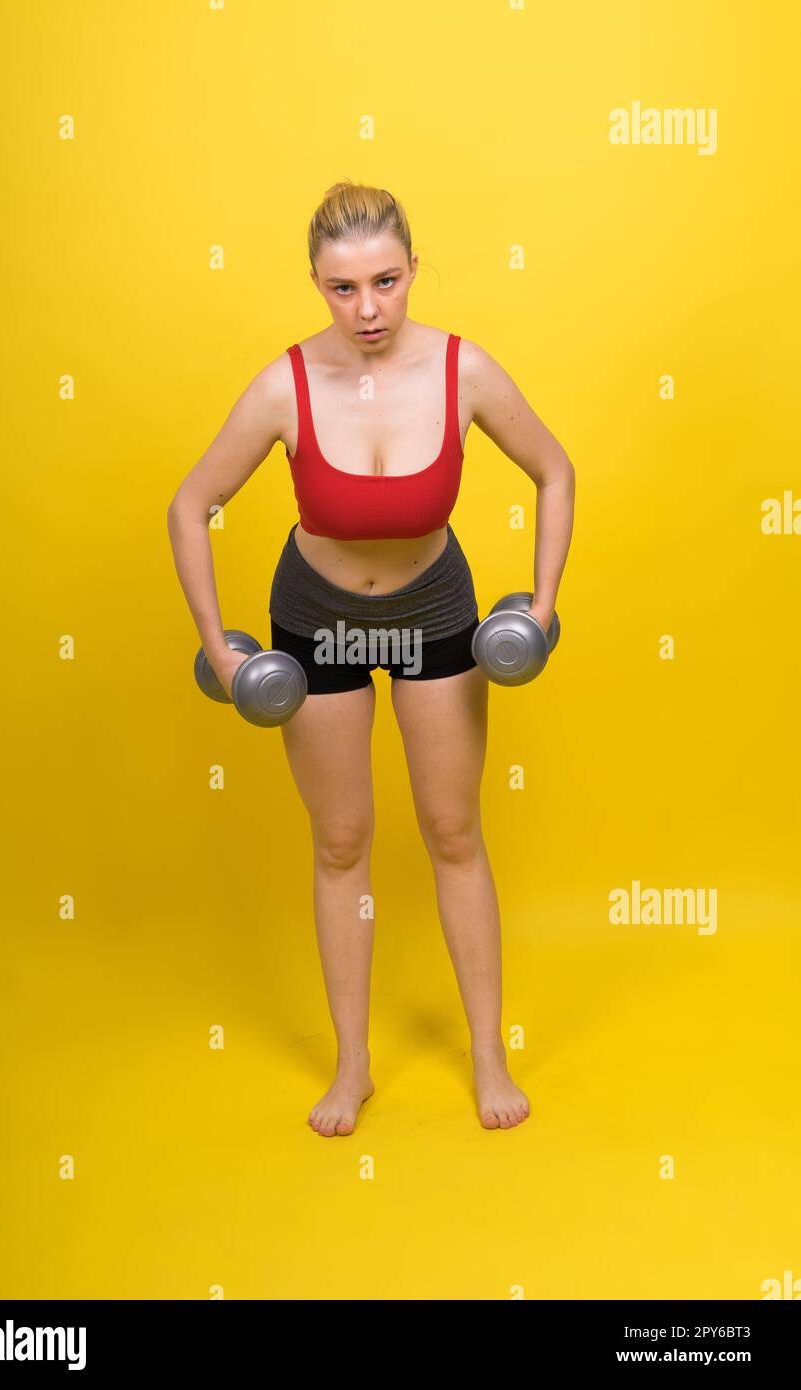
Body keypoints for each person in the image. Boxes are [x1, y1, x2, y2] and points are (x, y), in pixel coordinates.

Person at [167, 181, 575, 1137]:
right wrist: (217, 651)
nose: (368, 310)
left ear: (413, 269)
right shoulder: (285, 384)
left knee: (452, 831)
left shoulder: (464, 370)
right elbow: (190, 505)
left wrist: (543, 610)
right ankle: (352, 1069)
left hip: (436, 610)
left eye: (385, 282)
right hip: (316, 618)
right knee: (342, 842)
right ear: (316, 283)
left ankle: (487, 1057)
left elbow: (555, 469)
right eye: (342, 289)